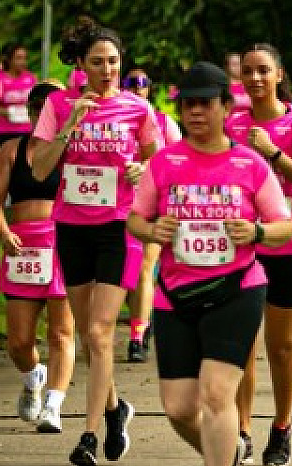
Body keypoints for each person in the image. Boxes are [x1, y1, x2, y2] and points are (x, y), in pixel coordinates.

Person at [127, 61, 292, 466]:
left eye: (205, 104)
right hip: (175, 294)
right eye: (188, 106)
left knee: (218, 394)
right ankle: (228, 453)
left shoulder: (250, 165)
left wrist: (255, 233)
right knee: (179, 408)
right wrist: (153, 231)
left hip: (236, 289)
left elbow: (285, 228)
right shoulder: (164, 163)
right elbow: (135, 219)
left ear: (225, 107)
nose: (196, 113)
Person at [30, 17, 161, 466]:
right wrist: (70, 124)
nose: (107, 69)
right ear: (82, 65)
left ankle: (89, 435)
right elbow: (40, 168)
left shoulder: (137, 109)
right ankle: (115, 407)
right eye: (98, 62)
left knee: (102, 331)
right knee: (90, 336)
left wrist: (144, 171)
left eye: (114, 61)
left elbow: (159, 163)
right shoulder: (59, 104)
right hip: (72, 229)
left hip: (119, 228)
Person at [228, 44, 292, 465]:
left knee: (281, 346)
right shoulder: (231, 124)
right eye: (248, 72)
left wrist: (272, 153)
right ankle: (243, 431)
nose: (254, 79)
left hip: (290, 245)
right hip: (242, 246)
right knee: (242, 344)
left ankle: (281, 427)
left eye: (263, 71)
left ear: (279, 74)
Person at [0, 80, 76, 433]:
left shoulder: (72, 150)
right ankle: (33, 376)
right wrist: (4, 232)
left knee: (62, 333)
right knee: (20, 342)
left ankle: (54, 405)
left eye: (52, 105)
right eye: (37, 105)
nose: (43, 112)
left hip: (63, 244)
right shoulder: (11, 149)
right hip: (23, 247)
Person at [122, 69, 183, 363]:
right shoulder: (112, 117)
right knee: (127, 274)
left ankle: (136, 338)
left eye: (143, 83)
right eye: (131, 83)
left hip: (155, 205)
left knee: (146, 267)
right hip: (116, 208)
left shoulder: (163, 122)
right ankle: (144, 321)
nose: (137, 88)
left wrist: (150, 170)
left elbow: (181, 161)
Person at [0, 42, 39, 152]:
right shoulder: (0, 80)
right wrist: (11, 113)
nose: (22, 62)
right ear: (9, 60)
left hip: (28, 130)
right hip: (6, 132)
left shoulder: (31, 78)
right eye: (18, 58)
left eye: (24, 58)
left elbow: (38, 101)